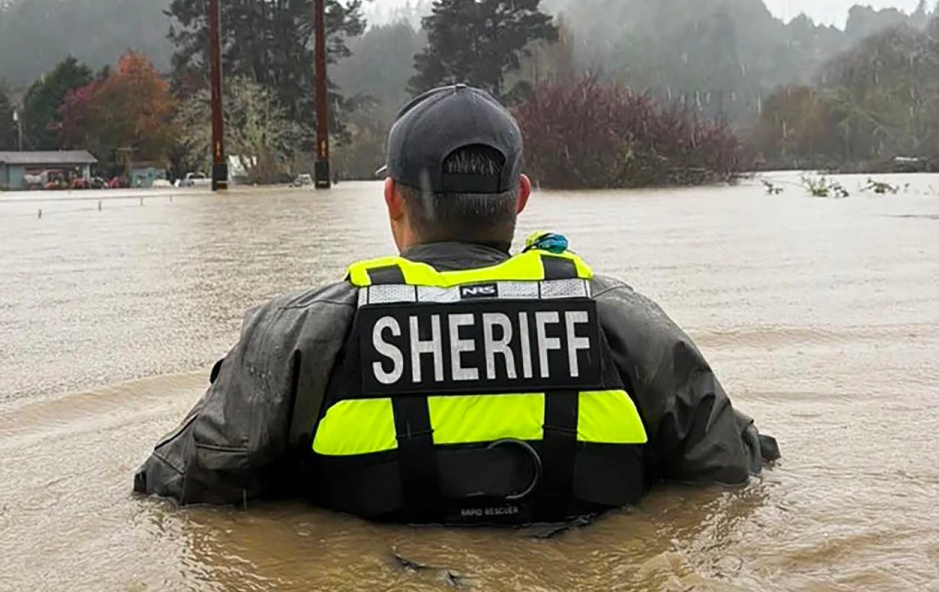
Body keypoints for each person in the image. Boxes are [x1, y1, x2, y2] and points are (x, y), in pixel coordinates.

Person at [133, 84, 779, 526]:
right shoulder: (628, 322)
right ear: (520, 197)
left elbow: (174, 484)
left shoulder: (299, 334)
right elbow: (734, 469)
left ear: (391, 198)